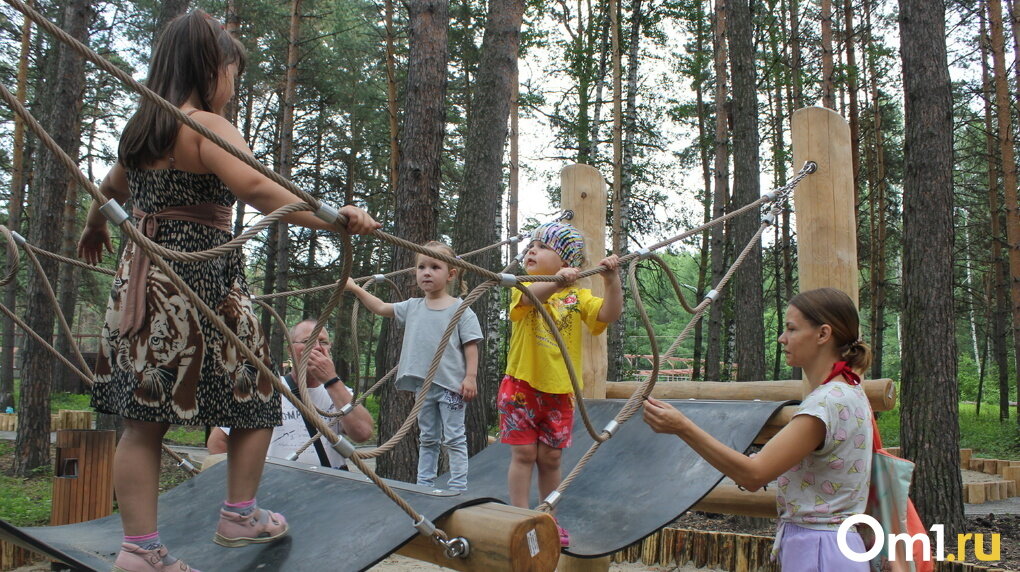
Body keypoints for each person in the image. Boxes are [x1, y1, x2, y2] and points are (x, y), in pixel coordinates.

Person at [76, 11, 379, 572]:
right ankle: (239, 513)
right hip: (203, 283)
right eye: (233, 72)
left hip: (142, 283)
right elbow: (260, 190)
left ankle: (140, 551)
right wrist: (337, 219)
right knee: (258, 400)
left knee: (141, 422)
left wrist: (95, 226)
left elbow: (111, 188)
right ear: (210, 67)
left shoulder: (143, 130)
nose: (235, 86)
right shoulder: (207, 126)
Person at [643, 287, 874, 570]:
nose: (782, 338)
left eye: (791, 329)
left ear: (823, 334)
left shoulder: (824, 404)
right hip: (837, 549)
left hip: (819, 551)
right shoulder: (851, 390)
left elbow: (754, 475)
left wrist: (683, 427)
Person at [498, 222, 623, 547]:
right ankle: (520, 517)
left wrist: (611, 281)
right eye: (531, 246)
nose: (531, 251)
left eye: (542, 247)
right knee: (524, 453)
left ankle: (547, 515)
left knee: (551, 458)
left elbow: (609, 314)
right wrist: (554, 283)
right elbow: (529, 299)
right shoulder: (523, 284)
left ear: (567, 262)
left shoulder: (579, 296)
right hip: (522, 388)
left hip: (560, 393)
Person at [345, 241, 482, 491]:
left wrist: (470, 377)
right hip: (424, 386)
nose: (426, 272)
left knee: (454, 437)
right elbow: (380, 307)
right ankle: (424, 485)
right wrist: (355, 288)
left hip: (451, 386)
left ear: (451, 274)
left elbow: (471, 345)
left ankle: (458, 486)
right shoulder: (412, 306)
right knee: (428, 437)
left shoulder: (461, 309)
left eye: (434, 266)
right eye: (421, 267)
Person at [206, 320, 374, 468]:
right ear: (290, 350)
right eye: (308, 341)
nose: (316, 347)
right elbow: (218, 443)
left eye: (323, 342)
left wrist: (331, 380)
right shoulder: (263, 391)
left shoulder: (339, 393)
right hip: (276, 491)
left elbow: (362, 433)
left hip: (327, 491)